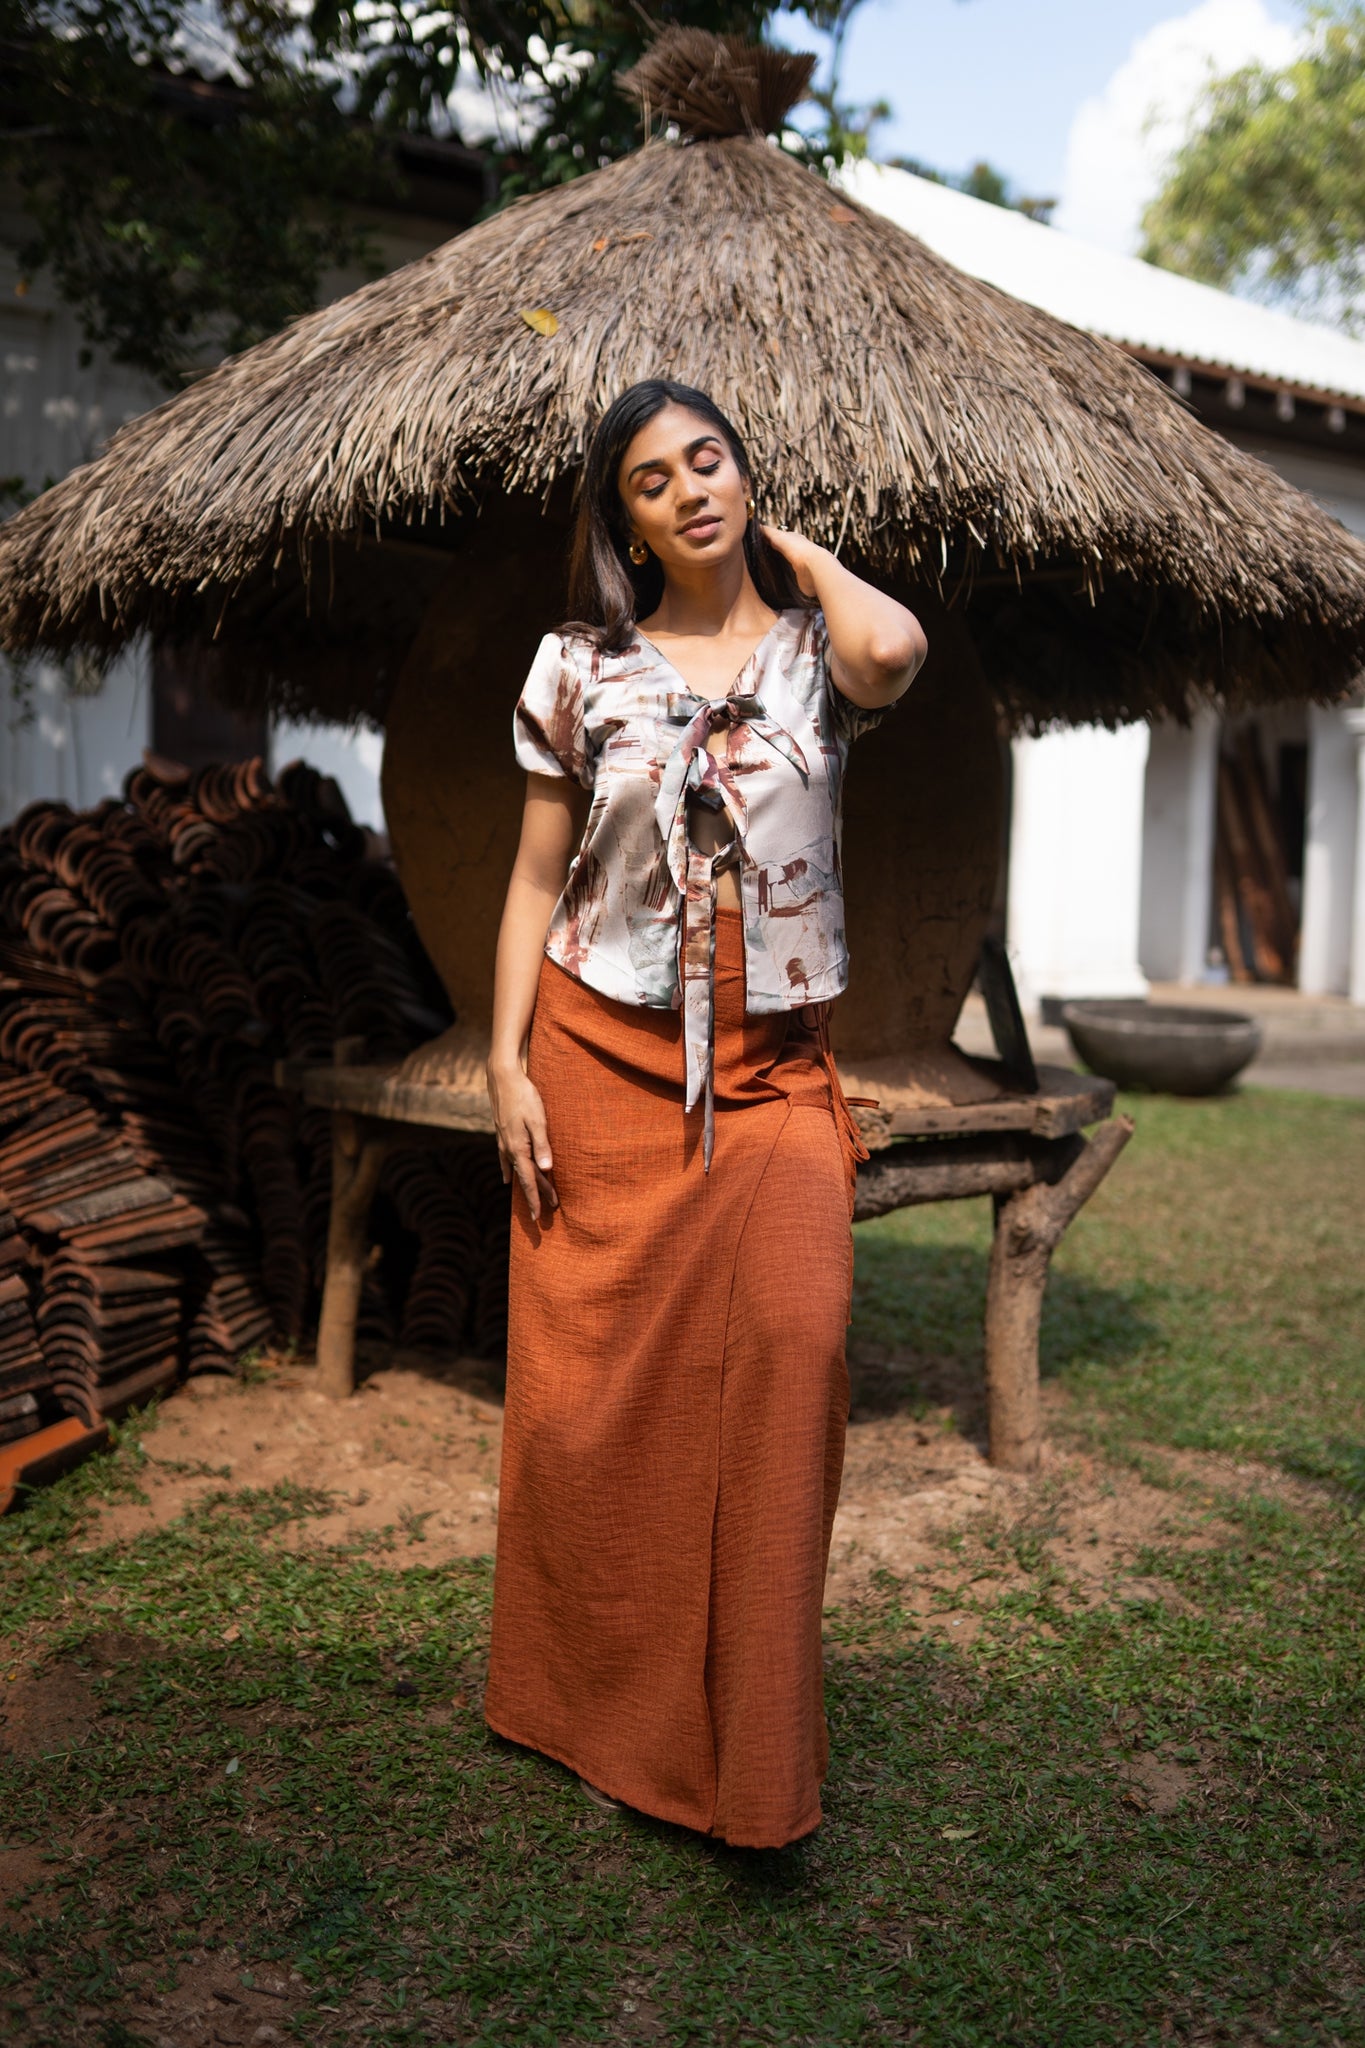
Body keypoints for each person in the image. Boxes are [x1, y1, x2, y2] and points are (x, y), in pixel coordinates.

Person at [482, 378, 925, 1849]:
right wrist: (504, 1066)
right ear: (623, 522)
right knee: (594, 1404)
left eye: (708, 460)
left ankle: (757, 1763)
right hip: (597, 1051)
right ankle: (596, 1713)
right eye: (652, 480)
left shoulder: (816, 654)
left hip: (775, 1065)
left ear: (744, 475)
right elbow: (536, 877)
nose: (688, 491)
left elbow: (895, 650)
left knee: (795, 1349)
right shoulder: (578, 665)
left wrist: (799, 554)